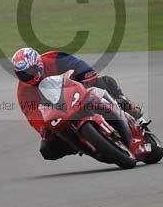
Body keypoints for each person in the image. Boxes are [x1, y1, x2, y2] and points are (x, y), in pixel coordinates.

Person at [12, 47, 144, 161]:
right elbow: (32, 113)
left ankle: (125, 104)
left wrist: (88, 76)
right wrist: (43, 128)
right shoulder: (23, 92)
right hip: (60, 112)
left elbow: (77, 64)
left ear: (38, 64)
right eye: (22, 74)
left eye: (31, 70)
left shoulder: (52, 59)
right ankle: (80, 144)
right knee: (47, 150)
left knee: (103, 81)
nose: (28, 76)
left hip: (77, 91)